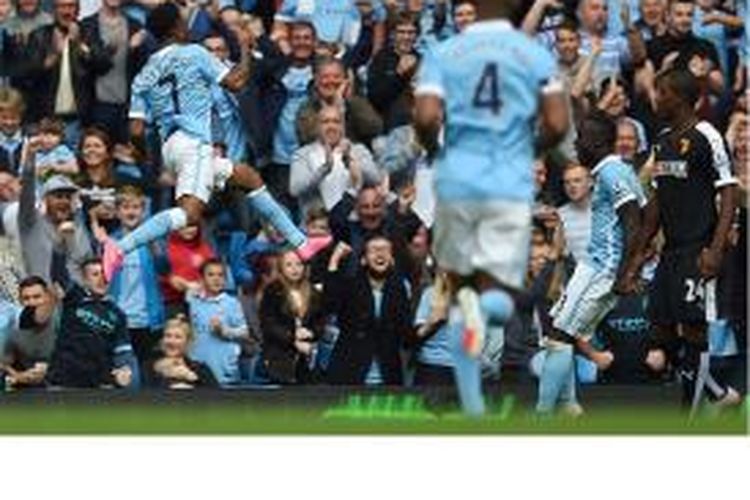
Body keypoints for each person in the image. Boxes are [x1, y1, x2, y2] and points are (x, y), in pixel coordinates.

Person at [98, 2, 330, 282]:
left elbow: (135, 129)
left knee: (248, 177)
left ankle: (301, 244)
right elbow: (237, 81)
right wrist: (245, 49)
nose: (187, 25)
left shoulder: (144, 74)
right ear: (175, 28)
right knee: (190, 214)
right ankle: (119, 248)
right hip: (194, 144)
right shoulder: (194, 54)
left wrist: (145, 154)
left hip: (172, 146)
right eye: (183, 21)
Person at [413, 5, 568, 415]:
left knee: (463, 291)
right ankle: (488, 309)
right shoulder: (532, 52)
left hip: (459, 179)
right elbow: (557, 123)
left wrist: (435, 150)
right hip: (507, 183)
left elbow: (427, 116)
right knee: (496, 297)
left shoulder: (444, 51)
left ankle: (472, 406)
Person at [620, 68, 737, 412]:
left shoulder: (707, 135)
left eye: (662, 92)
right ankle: (717, 394)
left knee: (695, 332)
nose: (656, 97)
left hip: (698, 250)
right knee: (662, 332)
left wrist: (715, 250)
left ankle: (692, 418)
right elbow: (655, 203)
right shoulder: (662, 139)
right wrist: (638, 254)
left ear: (682, 98)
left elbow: (728, 193)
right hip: (670, 253)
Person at [536, 112, 646, 415]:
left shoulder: (613, 172)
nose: (577, 142)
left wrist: (626, 271)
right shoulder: (611, 171)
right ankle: (569, 406)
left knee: (560, 335)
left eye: (581, 136)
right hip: (592, 264)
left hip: (604, 268)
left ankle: (543, 416)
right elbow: (647, 214)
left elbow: (634, 219)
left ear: (596, 142)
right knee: (559, 330)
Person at [325, 236, 412, 385]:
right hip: (350, 373)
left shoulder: (399, 288)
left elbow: (405, 334)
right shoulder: (351, 285)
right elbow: (329, 303)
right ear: (363, 260)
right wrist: (334, 260)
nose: (380, 254)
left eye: (385, 250)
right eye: (374, 250)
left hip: (387, 375)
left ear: (391, 259)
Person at [45, 256, 137, 389]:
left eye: (104, 274)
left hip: (99, 383)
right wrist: (60, 245)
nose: (101, 279)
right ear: (84, 280)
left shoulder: (118, 314)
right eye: (95, 274)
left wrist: (125, 370)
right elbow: (58, 273)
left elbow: (123, 351)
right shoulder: (74, 297)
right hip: (63, 380)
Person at [259, 250, 326, 384]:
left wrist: (312, 333)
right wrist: (293, 338)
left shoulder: (313, 292)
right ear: (281, 268)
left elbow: (320, 322)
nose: (295, 269)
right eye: (289, 265)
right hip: (280, 356)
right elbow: (268, 324)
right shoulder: (272, 290)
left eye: (298, 264)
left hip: (307, 356)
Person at [186, 258, 249, 386]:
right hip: (198, 366)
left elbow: (245, 332)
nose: (216, 279)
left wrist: (224, 330)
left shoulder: (231, 303)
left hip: (223, 368)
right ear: (202, 279)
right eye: (211, 275)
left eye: (221, 275)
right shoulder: (194, 300)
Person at [0, 276, 58, 389]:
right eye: (26, 298)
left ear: (47, 296)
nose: (32, 302)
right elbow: (5, 364)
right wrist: (19, 376)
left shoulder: (63, 319)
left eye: (37, 297)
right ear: (21, 300)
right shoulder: (14, 325)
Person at [142, 314, 218, 389]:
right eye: (168, 336)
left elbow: (217, 396)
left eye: (178, 337)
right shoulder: (149, 367)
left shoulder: (201, 369)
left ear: (187, 342)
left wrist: (193, 382)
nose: (171, 341)